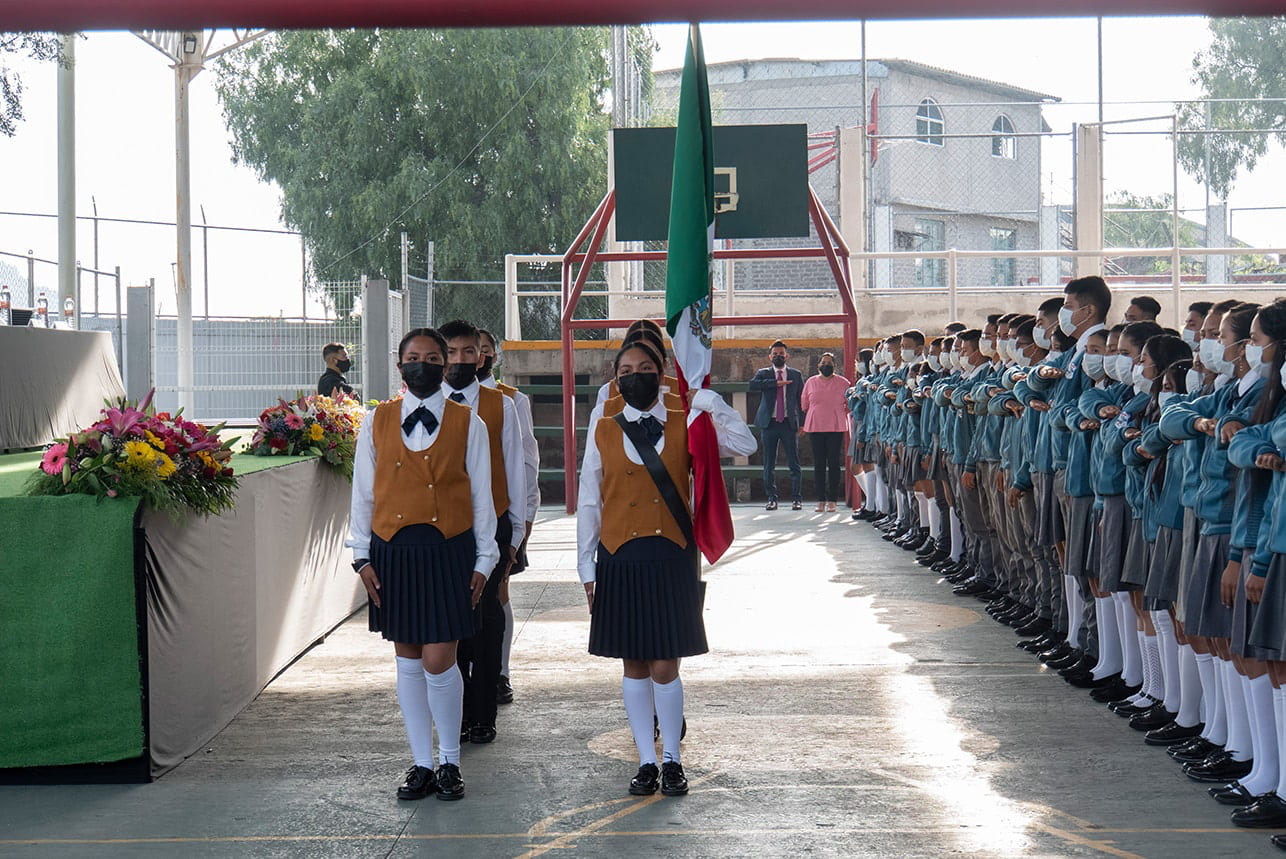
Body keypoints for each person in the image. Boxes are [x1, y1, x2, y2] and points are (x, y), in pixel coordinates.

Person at [577, 338, 755, 798]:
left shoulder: (688, 420)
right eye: (626, 369)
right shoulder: (603, 426)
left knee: (665, 666)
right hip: (618, 556)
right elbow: (589, 500)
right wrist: (586, 569)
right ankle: (645, 760)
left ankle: (673, 758)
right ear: (616, 379)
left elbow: (744, 443)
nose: (636, 376)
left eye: (645, 368)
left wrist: (708, 400)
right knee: (633, 664)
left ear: (662, 375)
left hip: (671, 553)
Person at [346, 327, 499, 802]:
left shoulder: (469, 422)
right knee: (408, 659)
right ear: (399, 367)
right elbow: (363, 493)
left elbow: (481, 496)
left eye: (433, 358)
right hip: (392, 552)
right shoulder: (375, 421)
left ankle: (450, 761)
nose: (424, 365)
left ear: (446, 365)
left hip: (449, 551)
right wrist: (360, 555)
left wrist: (485, 558)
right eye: (414, 357)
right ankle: (421, 763)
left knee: (440, 658)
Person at [438, 320, 526, 745]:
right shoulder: (425, 403)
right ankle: (457, 708)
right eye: (450, 353)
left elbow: (516, 468)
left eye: (467, 353)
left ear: (482, 356)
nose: (459, 360)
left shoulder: (500, 405)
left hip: (492, 526)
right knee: (451, 623)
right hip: (445, 531)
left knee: (487, 619)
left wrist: (515, 533)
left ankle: (483, 713)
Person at [477, 328, 539, 708]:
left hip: (501, 509)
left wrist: (526, 514)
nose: (476, 357)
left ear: (494, 356)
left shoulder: (511, 400)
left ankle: (500, 672)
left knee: (499, 590)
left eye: (484, 350)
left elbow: (526, 460)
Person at [749, 340, 804, 511]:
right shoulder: (763, 373)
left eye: (781, 354)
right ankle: (772, 498)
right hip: (769, 423)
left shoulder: (795, 375)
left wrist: (802, 424)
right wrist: (775, 383)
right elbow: (752, 385)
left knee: (794, 462)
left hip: (788, 423)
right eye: (775, 354)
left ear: (787, 356)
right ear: (770, 356)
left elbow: (801, 401)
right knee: (769, 463)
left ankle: (796, 499)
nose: (778, 356)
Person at [801, 352, 852, 512]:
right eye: (824, 362)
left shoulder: (843, 383)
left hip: (835, 427)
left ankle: (833, 499)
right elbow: (804, 404)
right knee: (819, 464)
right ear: (818, 365)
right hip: (816, 426)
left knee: (834, 463)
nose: (826, 365)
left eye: (829, 363)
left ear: (834, 366)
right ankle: (820, 499)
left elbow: (849, 403)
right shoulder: (810, 382)